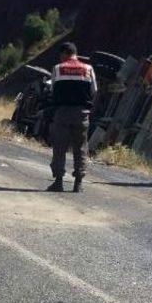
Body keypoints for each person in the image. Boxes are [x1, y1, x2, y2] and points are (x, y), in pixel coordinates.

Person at [47, 42, 97, 193]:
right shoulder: (88, 68)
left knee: (60, 147)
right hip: (82, 113)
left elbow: (53, 89)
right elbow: (94, 90)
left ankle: (59, 181)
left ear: (64, 53)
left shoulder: (57, 68)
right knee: (81, 147)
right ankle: (78, 183)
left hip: (62, 112)